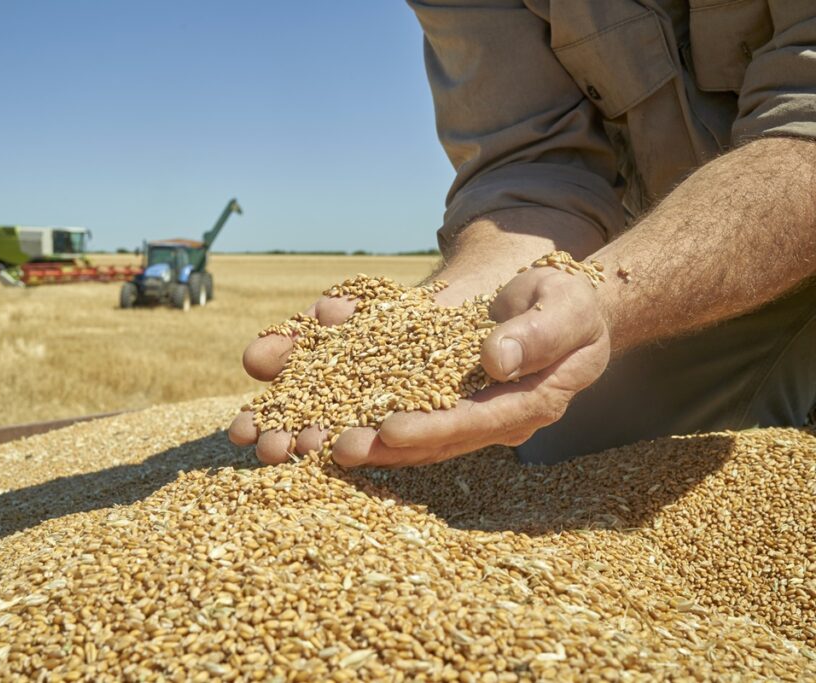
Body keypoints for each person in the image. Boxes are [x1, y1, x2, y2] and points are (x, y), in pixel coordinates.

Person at [230, 0, 816, 466]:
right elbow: (532, 161)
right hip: (681, 252)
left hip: (778, 218)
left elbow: (805, 130)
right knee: (558, 445)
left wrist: (612, 296)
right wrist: (458, 308)